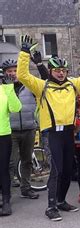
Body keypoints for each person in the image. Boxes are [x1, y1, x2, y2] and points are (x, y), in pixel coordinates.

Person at [17, 35, 80, 221]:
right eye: (57, 70)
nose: (61, 73)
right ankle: (51, 206)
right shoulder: (42, 86)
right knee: (56, 169)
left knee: (68, 170)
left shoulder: (73, 85)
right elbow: (22, 75)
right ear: (51, 71)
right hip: (50, 133)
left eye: (63, 70)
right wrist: (24, 53)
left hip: (68, 132)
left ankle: (61, 201)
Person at [3, 59, 39, 199]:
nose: (13, 74)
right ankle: (7, 192)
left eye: (15, 71)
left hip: (29, 127)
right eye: (9, 71)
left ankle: (26, 187)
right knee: (9, 162)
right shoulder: (3, 88)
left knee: (27, 160)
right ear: (5, 73)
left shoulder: (29, 85)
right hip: (9, 130)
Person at [0, 77, 22, 216]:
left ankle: (6, 201)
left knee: (3, 169)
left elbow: (16, 108)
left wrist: (9, 88)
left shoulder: (5, 90)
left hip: (3, 135)